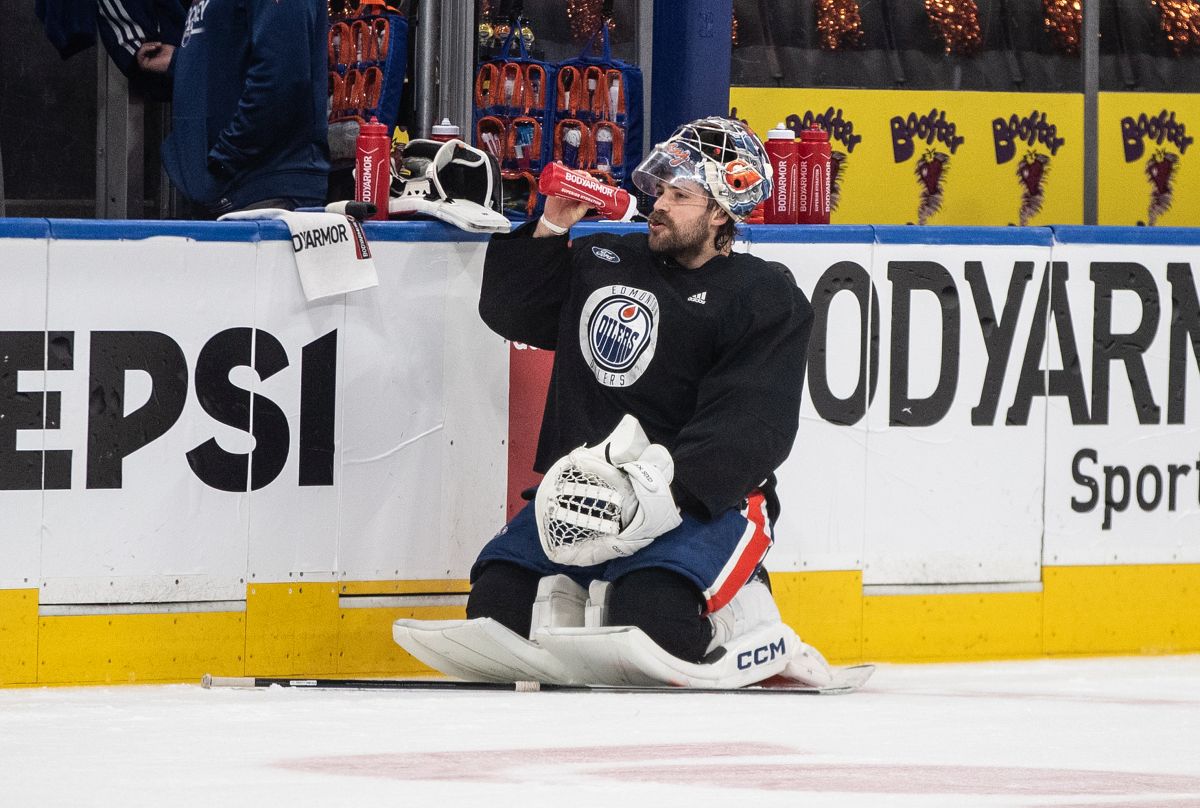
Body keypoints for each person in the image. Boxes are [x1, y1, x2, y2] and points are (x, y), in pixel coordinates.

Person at [466, 116, 815, 667]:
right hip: (584, 495)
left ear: (721, 212)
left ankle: (746, 608)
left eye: (681, 195)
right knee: (496, 609)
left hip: (696, 502)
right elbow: (513, 315)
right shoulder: (605, 257)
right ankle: (582, 599)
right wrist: (551, 227)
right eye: (660, 189)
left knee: (654, 619)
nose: (658, 204)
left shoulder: (763, 295)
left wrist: (658, 491)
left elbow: (753, 424)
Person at [136, 0, 330, 216]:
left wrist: (225, 158)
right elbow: (239, 47)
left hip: (263, 189)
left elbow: (282, 77)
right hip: (228, 189)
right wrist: (184, 60)